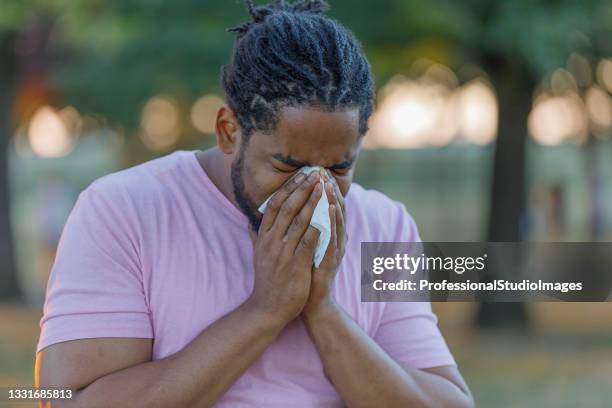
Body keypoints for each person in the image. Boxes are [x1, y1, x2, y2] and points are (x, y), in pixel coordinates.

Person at [35, 1, 474, 406]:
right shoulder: (124, 211)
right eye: (288, 166)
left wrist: (323, 311)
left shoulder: (385, 224)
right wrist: (264, 311)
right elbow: (66, 399)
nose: (314, 191)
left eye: (339, 170)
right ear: (229, 131)